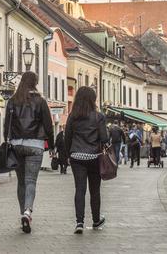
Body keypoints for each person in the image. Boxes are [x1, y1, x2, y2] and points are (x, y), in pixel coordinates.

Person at [3, 72, 54, 234]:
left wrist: (7, 140)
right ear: (35, 83)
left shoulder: (12, 101)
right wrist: (51, 146)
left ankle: (22, 213)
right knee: (30, 180)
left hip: (17, 144)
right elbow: (48, 125)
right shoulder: (40, 102)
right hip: (35, 145)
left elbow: (7, 125)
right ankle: (27, 212)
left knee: (21, 182)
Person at [65, 86, 108, 234]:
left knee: (80, 190)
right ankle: (96, 221)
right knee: (95, 191)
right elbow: (104, 138)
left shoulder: (72, 116)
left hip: (77, 156)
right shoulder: (99, 116)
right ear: (92, 100)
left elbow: (67, 137)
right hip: (94, 157)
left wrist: (67, 155)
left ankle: (79, 222)